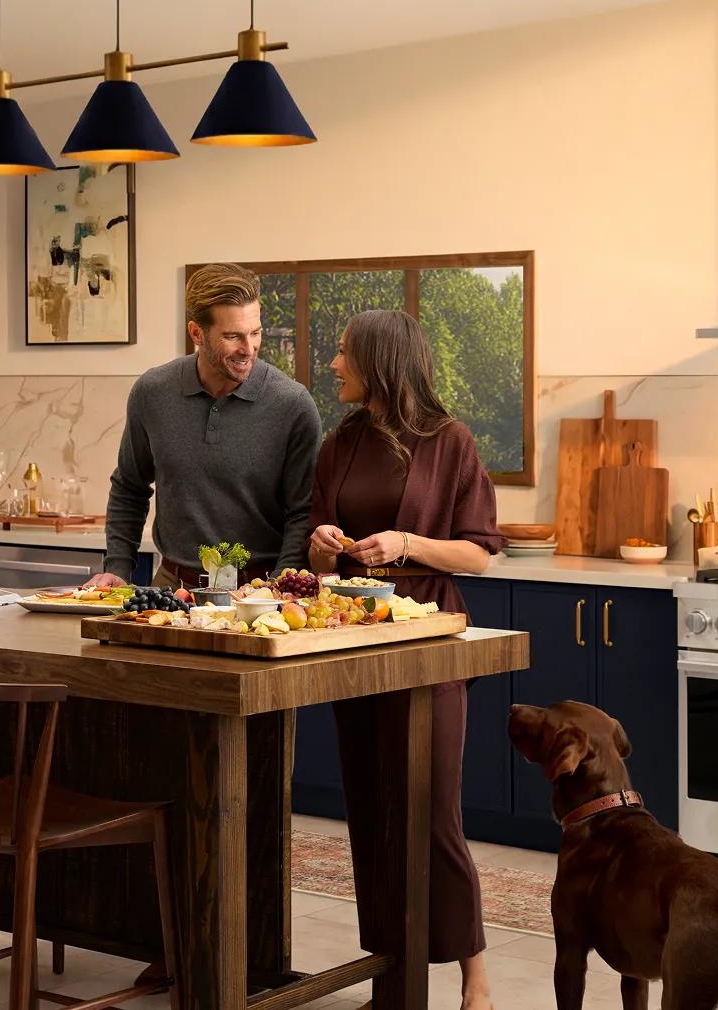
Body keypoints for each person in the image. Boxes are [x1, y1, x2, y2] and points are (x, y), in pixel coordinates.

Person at [306, 309, 505, 1010]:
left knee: (431, 811)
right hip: (355, 641)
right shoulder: (342, 441)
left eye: (342, 354)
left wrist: (407, 544)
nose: (333, 364)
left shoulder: (450, 441)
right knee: (372, 810)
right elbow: (315, 539)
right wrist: (326, 541)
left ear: (380, 360)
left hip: (427, 647)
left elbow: (479, 550)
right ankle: (393, 976)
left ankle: (475, 976)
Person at [88, 263, 321, 589]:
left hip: (258, 593)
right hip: (171, 588)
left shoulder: (293, 404)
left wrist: (279, 588)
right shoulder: (152, 392)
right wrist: (117, 567)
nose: (248, 348)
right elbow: (130, 487)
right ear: (197, 333)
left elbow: (303, 512)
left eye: (255, 332)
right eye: (233, 336)